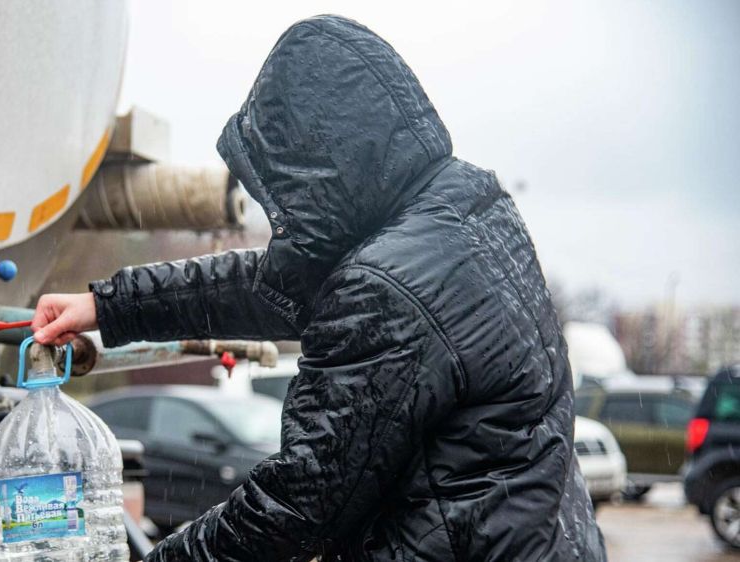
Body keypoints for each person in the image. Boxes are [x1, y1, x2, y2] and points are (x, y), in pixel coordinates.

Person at [32, 14, 606, 562]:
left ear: (318, 161)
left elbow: (296, 504)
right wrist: (108, 306)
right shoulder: (467, 208)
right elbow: (267, 285)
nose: (282, 209)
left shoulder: (385, 286)